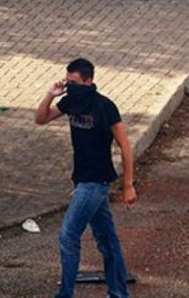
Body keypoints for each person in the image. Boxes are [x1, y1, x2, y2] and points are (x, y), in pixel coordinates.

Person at [35, 57, 136, 298]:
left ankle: (65, 294)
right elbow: (41, 118)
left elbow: (125, 146)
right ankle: (119, 293)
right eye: (68, 82)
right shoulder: (71, 101)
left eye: (74, 82)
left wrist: (128, 185)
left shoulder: (104, 106)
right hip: (82, 179)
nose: (70, 86)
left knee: (68, 236)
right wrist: (51, 94)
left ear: (89, 81)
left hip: (96, 182)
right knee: (107, 240)